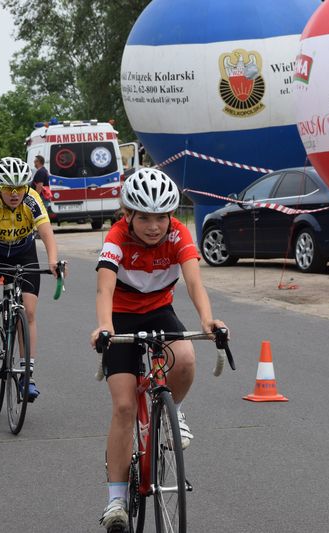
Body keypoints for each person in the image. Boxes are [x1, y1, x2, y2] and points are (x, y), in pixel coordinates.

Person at [89, 168, 227, 530]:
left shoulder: (178, 235)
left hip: (158, 310)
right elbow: (104, 289)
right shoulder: (116, 237)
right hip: (120, 317)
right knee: (122, 406)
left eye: (162, 216)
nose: (154, 226)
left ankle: (172, 410)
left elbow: (195, 282)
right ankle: (116, 498)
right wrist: (105, 325)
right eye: (145, 217)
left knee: (184, 358)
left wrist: (208, 320)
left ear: (171, 216)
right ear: (128, 215)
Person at [0, 157, 61, 400]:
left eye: (19, 188)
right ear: (0, 187)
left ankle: (26, 376)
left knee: (28, 313)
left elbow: (46, 233)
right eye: (9, 188)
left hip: (23, 252)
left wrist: (53, 260)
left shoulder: (32, 199)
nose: (14, 193)